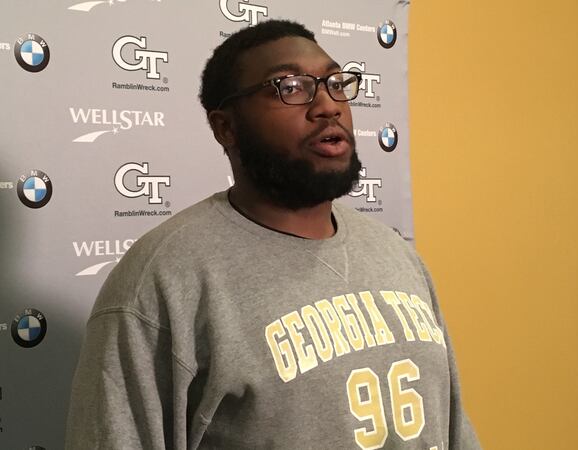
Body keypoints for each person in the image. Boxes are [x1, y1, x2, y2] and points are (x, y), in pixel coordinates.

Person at [65, 19, 480, 450]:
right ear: (226, 127)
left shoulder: (395, 253)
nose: (327, 105)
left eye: (335, 82)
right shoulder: (163, 279)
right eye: (290, 86)